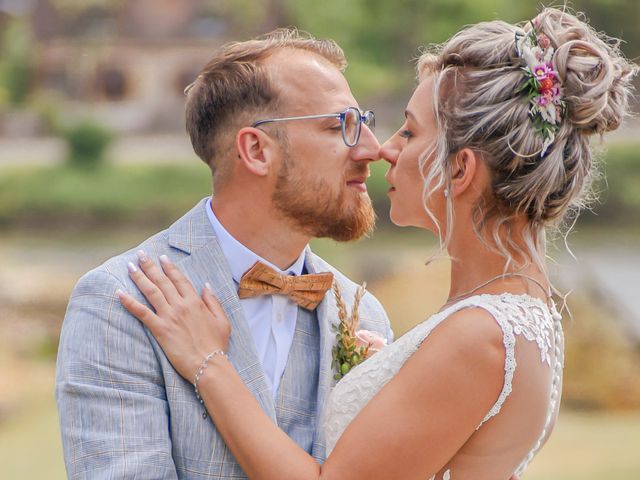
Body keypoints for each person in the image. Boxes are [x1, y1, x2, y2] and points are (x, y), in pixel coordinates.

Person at [118, 7, 637, 480]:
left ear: (460, 169)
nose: (382, 149)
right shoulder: (511, 313)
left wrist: (209, 362)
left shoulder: (481, 335)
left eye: (409, 133)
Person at [55, 29, 393, 479]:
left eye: (364, 122)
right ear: (256, 150)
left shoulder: (364, 316)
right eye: (340, 126)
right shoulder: (120, 303)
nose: (373, 149)